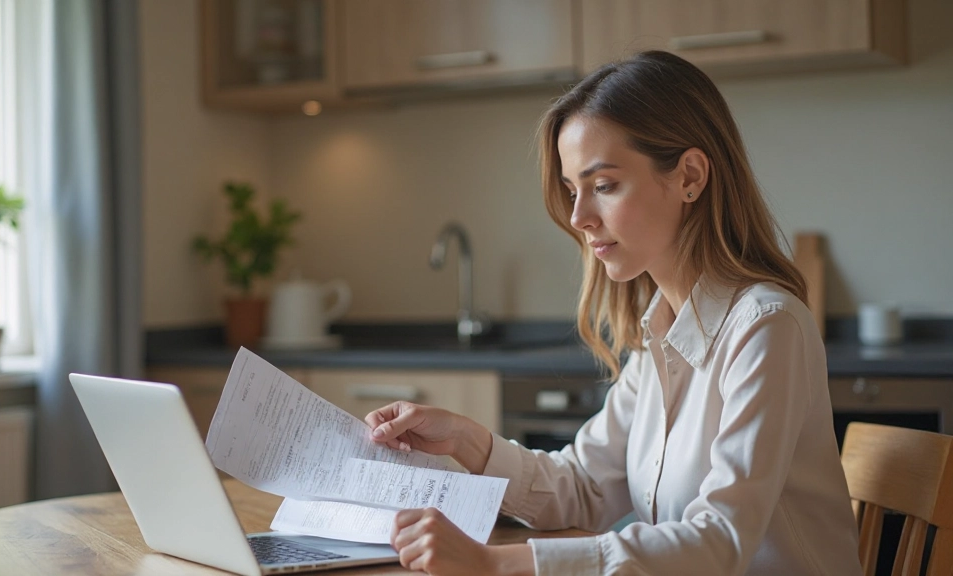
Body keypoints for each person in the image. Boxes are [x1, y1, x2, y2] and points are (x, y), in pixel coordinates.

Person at [366, 50, 862, 575]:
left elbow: (719, 540)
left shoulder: (766, 327)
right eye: (572, 190)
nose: (579, 217)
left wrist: (498, 564)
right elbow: (583, 486)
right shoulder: (661, 332)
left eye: (603, 186)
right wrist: (463, 437)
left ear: (690, 175)